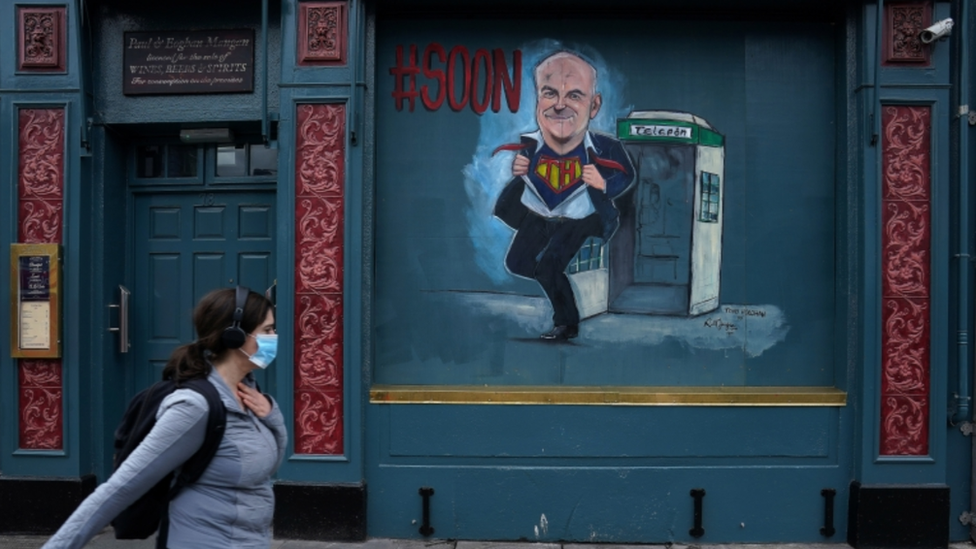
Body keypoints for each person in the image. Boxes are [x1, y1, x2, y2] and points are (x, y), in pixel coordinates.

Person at [43, 287, 287, 549]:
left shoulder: (249, 392)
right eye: (268, 330)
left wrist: (272, 416)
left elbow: (268, 464)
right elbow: (120, 487)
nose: (275, 338)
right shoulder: (194, 407)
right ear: (234, 336)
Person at [494, 50, 636, 340]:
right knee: (516, 262)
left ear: (593, 105)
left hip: (581, 216)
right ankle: (557, 280)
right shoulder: (530, 145)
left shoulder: (605, 148)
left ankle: (567, 322)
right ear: (538, 99)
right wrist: (519, 170)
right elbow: (528, 182)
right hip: (540, 214)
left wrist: (604, 184)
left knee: (549, 266)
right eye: (549, 93)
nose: (560, 105)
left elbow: (627, 175)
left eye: (574, 96)